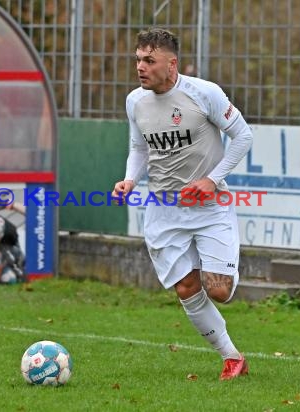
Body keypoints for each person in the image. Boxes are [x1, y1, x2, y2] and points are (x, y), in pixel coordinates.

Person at [111, 28, 253, 380]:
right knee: (187, 287)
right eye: (138, 59)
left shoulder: (205, 93)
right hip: (163, 210)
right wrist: (130, 179)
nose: (140, 67)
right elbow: (139, 148)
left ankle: (222, 263)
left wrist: (211, 180)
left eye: (149, 60)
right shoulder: (135, 102)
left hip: (209, 205)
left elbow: (242, 136)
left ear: (171, 64)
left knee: (218, 289)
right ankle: (232, 357)